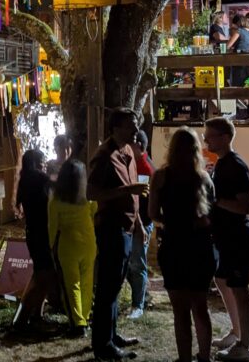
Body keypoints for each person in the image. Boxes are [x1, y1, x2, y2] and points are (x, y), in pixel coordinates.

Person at [149, 127, 217, 362]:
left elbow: (153, 213)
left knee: (180, 312)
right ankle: (205, 357)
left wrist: (171, 219)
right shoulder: (204, 177)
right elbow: (212, 215)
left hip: (174, 245)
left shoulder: (160, 176)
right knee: (200, 306)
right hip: (200, 247)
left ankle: (185, 358)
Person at [88, 108, 147, 361]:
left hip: (127, 227)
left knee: (115, 285)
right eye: (130, 125)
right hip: (111, 228)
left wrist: (140, 224)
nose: (136, 129)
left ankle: (111, 335)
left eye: (136, 124)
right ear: (115, 127)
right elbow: (91, 193)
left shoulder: (128, 152)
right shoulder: (104, 156)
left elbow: (134, 196)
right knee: (107, 288)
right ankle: (103, 346)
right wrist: (126, 189)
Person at [202, 117, 249, 362]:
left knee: (240, 289)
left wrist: (215, 201)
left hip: (236, 236)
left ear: (224, 137)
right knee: (223, 281)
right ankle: (236, 332)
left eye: (210, 136)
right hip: (223, 235)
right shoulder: (222, 164)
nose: (205, 140)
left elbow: (247, 206)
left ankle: (245, 346)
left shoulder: (236, 165)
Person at [47, 159, 97, 338]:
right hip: (89, 243)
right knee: (87, 283)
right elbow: (93, 215)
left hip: (68, 246)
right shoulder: (88, 199)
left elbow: (53, 228)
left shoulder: (57, 202)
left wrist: (51, 247)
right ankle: (85, 317)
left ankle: (77, 324)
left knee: (71, 285)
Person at [13, 149, 56, 333]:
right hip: (42, 234)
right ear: (38, 161)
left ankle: (36, 316)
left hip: (32, 233)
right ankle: (21, 321)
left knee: (41, 275)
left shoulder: (24, 180)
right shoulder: (41, 179)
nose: (45, 163)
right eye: (43, 160)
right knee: (42, 277)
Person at [126, 130, 155, 320]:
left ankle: (138, 305)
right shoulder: (136, 163)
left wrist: (141, 225)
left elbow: (141, 200)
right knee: (131, 262)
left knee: (137, 264)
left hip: (141, 222)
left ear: (139, 146)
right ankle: (142, 296)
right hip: (135, 222)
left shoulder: (143, 167)